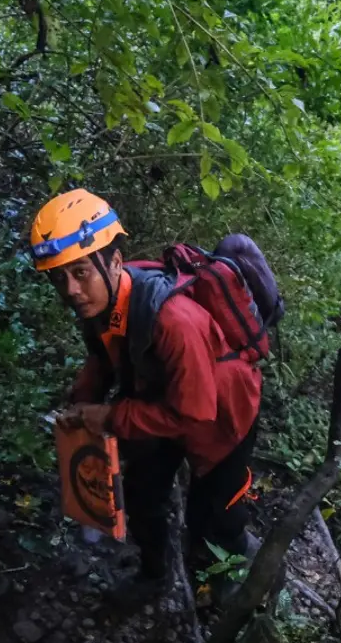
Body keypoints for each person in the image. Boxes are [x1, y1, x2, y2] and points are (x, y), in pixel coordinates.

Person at [29, 189, 263, 597]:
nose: (70, 289)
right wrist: (83, 397)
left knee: (212, 520)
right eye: (58, 277)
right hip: (158, 398)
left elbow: (194, 414)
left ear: (114, 262)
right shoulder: (102, 299)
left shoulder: (175, 321)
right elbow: (104, 356)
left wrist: (110, 416)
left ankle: (234, 586)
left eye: (80, 272)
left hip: (222, 414)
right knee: (141, 492)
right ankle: (155, 577)